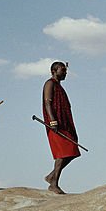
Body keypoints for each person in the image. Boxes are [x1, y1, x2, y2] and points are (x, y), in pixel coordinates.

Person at [42, 61, 79, 194]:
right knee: (62, 153)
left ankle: (51, 176)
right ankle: (54, 183)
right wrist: (52, 121)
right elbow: (48, 103)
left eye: (65, 70)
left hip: (64, 124)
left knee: (73, 150)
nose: (65, 73)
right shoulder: (50, 83)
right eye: (62, 70)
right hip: (55, 124)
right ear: (54, 71)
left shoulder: (59, 86)